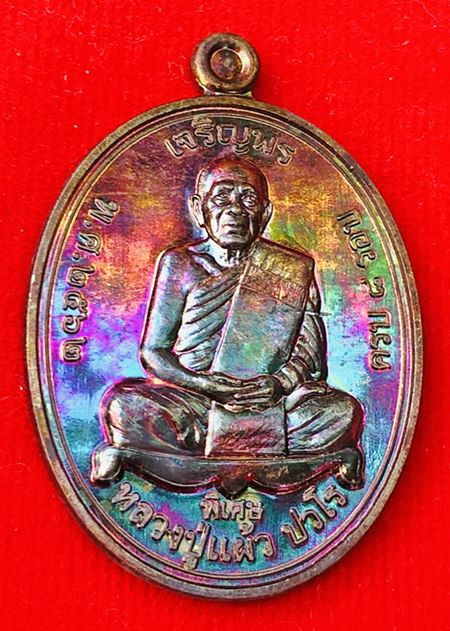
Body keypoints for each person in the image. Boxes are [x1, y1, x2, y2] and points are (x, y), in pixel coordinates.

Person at [91, 155, 364, 488]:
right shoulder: (180, 264)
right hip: (196, 401)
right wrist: (205, 385)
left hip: (270, 403)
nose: (235, 211)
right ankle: (261, 447)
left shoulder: (292, 269)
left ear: (265, 213)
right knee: (125, 406)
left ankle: (209, 449)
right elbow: (153, 352)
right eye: (221, 198)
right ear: (199, 209)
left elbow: (310, 358)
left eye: (247, 200)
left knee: (341, 411)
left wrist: (277, 385)